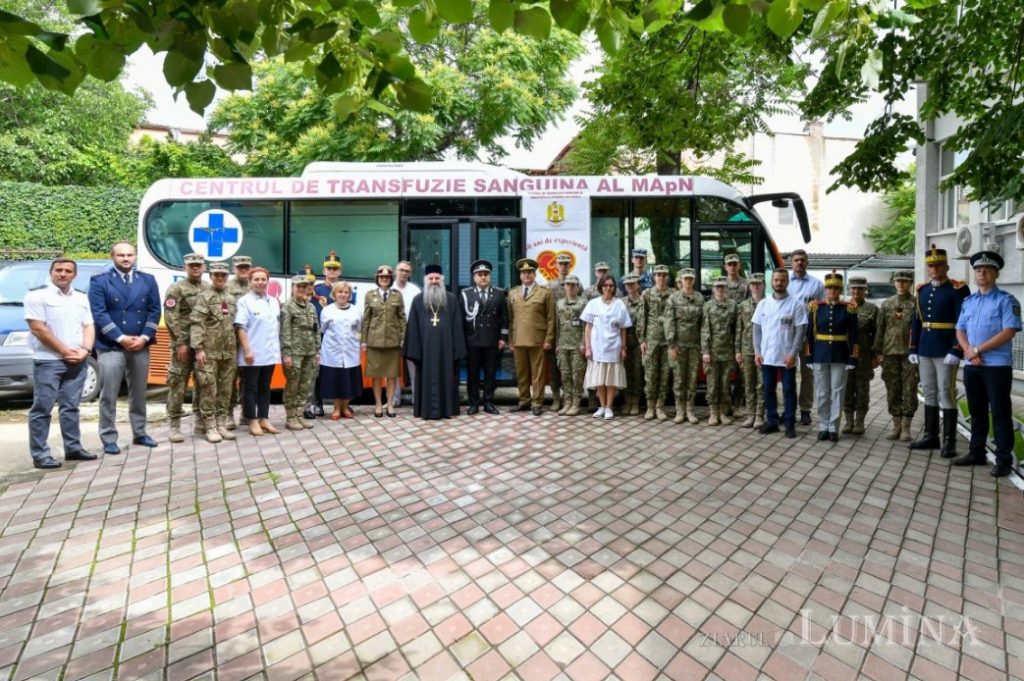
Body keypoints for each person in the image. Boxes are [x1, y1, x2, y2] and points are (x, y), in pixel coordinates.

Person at [953, 251, 1022, 477]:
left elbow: (1009, 331)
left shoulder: (1006, 300)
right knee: (977, 410)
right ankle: (976, 452)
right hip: (973, 365)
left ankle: (1003, 460)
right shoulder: (968, 301)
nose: (981, 273)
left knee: (1000, 412)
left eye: (987, 269)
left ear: (996, 273)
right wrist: (968, 351)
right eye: (978, 270)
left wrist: (978, 350)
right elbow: (960, 329)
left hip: (996, 366)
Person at [89, 241, 161, 454]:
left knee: (139, 393)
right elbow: (99, 314)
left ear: (135, 255)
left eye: (130, 254)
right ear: (112, 257)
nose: (126, 258)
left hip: (140, 344)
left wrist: (145, 337)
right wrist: (120, 337)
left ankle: (140, 433)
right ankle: (109, 437)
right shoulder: (100, 282)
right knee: (109, 394)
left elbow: (154, 310)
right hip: (111, 345)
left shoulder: (148, 280)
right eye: (121, 255)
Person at [25, 258, 96, 469]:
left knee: (71, 408)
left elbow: (88, 326)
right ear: (51, 272)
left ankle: (73, 448)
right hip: (48, 362)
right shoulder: (37, 296)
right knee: (42, 409)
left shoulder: (81, 298)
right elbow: (39, 329)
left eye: (67, 271)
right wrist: (65, 351)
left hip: (77, 361)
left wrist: (85, 351)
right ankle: (40, 455)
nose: (63, 274)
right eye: (59, 270)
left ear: (74, 275)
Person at [909, 245, 970, 458]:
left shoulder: (958, 289)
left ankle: (949, 441)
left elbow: (962, 322)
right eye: (930, 265)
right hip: (925, 347)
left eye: (938, 265)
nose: (933, 269)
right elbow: (916, 321)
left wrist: (957, 348)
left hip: (946, 349)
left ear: (946, 266)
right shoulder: (922, 290)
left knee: (946, 392)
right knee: (929, 391)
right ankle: (931, 436)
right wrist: (913, 347)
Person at [403, 265, 466, 420]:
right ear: (426, 281)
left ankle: (447, 409)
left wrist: (457, 350)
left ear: (442, 280)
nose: (434, 281)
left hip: (446, 350)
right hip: (425, 351)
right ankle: (425, 409)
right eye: (431, 279)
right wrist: (415, 351)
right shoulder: (418, 300)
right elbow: (413, 327)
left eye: (437, 278)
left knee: (447, 377)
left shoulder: (451, 299)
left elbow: (457, 325)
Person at [754, 269, 808, 438]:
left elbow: (801, 331)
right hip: (767, 356)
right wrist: (757, 351)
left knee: (788, 390)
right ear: (772, 282)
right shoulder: (763, 304)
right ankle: (771, 421)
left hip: (787, 357)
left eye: (782, 280)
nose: (779, 283)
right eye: (776, 280)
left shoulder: (795, 304)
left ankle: (790, 423)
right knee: (768, 389)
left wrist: (793, 353)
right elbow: (756, 329)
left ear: (787, 282)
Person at [805, 271, 858, 442]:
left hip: (840, 355)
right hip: (820, 354)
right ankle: (823, 425)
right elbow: (809, 334)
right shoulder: (815, 308)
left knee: (837, 391)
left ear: (840, 290)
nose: (832, 292)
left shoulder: (848, 309)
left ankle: (834, 427)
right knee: (822, 392)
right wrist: (809, 357)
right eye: (829, 288)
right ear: (825, 290)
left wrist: (852, 358)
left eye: (836, 288)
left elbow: (854, 335)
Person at [163, 253, 210, 443]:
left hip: (203, 345)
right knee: (178, 384)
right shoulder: (176, 288)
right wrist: (179, 343)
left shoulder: (208, 288)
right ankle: (174, 425)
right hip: (183, 345)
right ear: (185, 267)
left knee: (203, 382)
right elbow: (170, 317)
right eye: (192, 265)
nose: (195, 268)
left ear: (204, 267)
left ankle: (199, 420)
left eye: (199, 265)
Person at [190, 262, 238, 443]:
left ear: (227, 277)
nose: (220, 278)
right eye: (217, 275)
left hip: (228, 352)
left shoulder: (231, 298)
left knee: (226, 389)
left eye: (223, 275)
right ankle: (209, 426)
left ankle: (221, 423)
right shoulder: (204, 297)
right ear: (211, 276)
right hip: (208, 352)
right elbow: (196, 323)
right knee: (208, 388)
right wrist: (198, 349)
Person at [235, 267, 282, 436]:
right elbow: (241, 327)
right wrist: (247, 350)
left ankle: (264, 418)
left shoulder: (273, 301)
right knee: (250, 388)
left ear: (268, 281)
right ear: (250, 282)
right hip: (252, 354)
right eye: (256, 279)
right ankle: (252, 420)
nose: (260, 282)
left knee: (265, 387)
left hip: (269, 352)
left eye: (263, 279)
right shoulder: (245, 301)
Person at [873, 271, 918, 441]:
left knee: (910, 389)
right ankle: (896, 424)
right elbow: (880, 328)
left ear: (910, 283)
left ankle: (906, 427)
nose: (901, 284)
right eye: (898, 281)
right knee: (892, 390)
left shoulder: (916, 304)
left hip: (909, 354)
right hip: (890, 353)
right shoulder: (887, 304)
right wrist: (877, 351)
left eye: (905, 281)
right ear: (894, 283)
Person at [508, 258, 555, 415]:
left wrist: (548, 339)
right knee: (522, 373)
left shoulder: (544, 292)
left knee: (538, 374)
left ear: (534, 274)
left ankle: (537, 403)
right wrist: (510, 340)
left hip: (538, 340)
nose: (526, 275)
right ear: (520, 275)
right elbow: (510, 319)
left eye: (529, 272)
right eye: (523, 272)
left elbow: (551, 318)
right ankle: (524, 401)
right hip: (519, 339)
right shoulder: (513, 293)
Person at [460, 259, 507, 415]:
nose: (483, 277)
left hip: (492, 340)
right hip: (472, 341)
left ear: (490, 276)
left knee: (490, 373)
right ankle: (473, 403)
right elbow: (461, 319)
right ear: (474, 277)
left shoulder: (499, 293)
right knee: (472, 374)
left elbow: (504, 318)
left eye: (486, 274)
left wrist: (503, 338)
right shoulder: (466, 294)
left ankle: (488, 402)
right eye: (479, 274)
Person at [581, 273, 632, 419]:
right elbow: (588, 327)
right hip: (597, 348)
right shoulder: (593, 303)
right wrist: (588, 347)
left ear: (614, 288)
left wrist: (623, 348)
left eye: (611, 285)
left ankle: (609, 407)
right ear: (600, 287)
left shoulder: (619, 304)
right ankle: (601, 406)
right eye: (605, 285)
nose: (608, 288)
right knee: (599, 380)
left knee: (610, 380)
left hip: (613, 347)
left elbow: (623, 328)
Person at [786, 249, 825, 426]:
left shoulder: (817, 285)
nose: (799, 263)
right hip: (788, 335)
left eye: (802, 260)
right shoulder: (785, 283)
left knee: (808, 374)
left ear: (807, 262)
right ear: (791, 263)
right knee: (789, 371)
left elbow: (823, 310)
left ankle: (805, 410)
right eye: (796, 260)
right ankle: (789, 408)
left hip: (809, 335)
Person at [362, 265, 406, 417]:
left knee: (392, 375)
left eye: (387, 277)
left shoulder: (397, 296)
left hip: (393, 341)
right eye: (381, 277)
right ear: (377, 279)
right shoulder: (370, 295)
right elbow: (366, 319)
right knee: (376, 375)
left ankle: (391, 405)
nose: (384, 279)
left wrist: (403, 338)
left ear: (390, 279)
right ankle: (378, 405)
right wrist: (363, 340)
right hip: (374, 341)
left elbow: (402, 318)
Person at [319, 281, 364, 420]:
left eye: (346, 292)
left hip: (350, 350)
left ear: (349, 295)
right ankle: (336, 408)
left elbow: (359, 329)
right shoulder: (327, 310)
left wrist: (361, 342)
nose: (343, 295)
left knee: (348, 380)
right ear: (334, 294)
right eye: (340, 292)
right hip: (332, 351)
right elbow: (322, 329)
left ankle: (346, 407)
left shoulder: (356, 310)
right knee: (336, 380)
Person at [280, 276, 320, 431]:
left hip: (309, 352)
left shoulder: (310, 307)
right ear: (293, 287)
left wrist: (317, 350)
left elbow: (316, 330)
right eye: (299, 286)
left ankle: (299, 415)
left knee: (305, 385)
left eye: (305, 287)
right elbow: (285, 332)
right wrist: (286, 354)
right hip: (294, 353)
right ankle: (290, 417)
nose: (302, 289)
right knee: (292, 385)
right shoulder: (287, 307)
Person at [667, 268, 705, 424]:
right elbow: (669, 323)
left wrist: (704, 346)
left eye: (691, 279)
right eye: (685, 279)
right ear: (681, 280)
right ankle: (679, 410)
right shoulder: (674, 299)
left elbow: (704, 324)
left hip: (694, 346)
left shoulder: (699, 298)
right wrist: (672, 344)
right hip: (679, 346)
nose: (688, 281)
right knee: (679, 379)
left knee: (692, 379)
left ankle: (689, 409)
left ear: (694, 280)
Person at [842, 276, 878, 435]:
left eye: (860, 288)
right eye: (854, 288)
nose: (857, 291)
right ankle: (849, 420)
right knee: (846, 389)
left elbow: (878, 333)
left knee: (862, 390)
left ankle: (860, 421)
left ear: (865, 290)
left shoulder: (872, 309)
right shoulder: (843, 307)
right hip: (844, 355)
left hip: (864, 356)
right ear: (849, 289)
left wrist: (877, 354)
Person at [308, 250, 343, 418]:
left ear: (340, 271)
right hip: (319, 335)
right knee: (316, 370)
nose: (332, 272)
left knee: (334, 370)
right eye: (329, 269)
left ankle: (338, 402)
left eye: (335, 269)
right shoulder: (316, 290)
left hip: (336, 337)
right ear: (323, 271)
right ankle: (317, 403)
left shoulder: (344, 290)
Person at [701, 277, 739, 426]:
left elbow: (737, 330)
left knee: (725, 384)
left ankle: (723, 412)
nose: (720, 290)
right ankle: (713, 413)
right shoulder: (708, 306)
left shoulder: (733, 306)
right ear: (713, 289)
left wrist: (737, 350)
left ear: (726, 289)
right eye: (717, 287)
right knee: (712, 384)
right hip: (712, 351)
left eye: (723, 287)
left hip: (728, 352)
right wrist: (705, 351)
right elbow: (704, 329)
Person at [640, 264, 674, 420]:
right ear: (654, 277)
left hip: (667, 341)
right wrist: (642, 339)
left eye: (664, 275)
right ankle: (650, 406)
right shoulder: (647, 294)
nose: (661, 278)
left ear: (667, 277)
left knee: (665, 375)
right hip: (651, 340)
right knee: (650, 374)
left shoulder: (674, 294)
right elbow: (642, 317)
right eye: (658, 275)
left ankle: (660, 406)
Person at [224, 255, 252, 428]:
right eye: (240, 267)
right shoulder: (227, 287)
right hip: (230, 340)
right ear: (234, 268)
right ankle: (228, 414)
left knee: (248, 378)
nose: (243, 270)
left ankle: (246, 413)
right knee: (230, 378)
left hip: (250, 339)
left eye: (246, 267)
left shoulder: (255, 286)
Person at [735, 274, 766, 429]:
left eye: (758, 284)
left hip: (764, 350)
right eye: (752, 284)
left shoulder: (769, 304)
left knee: (761, 384)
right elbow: (738, 329)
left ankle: (760, 415)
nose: (755, 286)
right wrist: (737, 350)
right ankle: (750, 415)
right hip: (747, 349)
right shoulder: (743, 306)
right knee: (749, 383)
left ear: (763, 285)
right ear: (749, 286)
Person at [554, 276, 587, 416]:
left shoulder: (583, 303)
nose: (571, 287)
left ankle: (576, 403)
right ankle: (567, 402)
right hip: (563, 345)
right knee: (565, 375)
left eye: (573, 285)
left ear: (578, 287)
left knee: (577, 375)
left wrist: (584, 343)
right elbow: (557, 325)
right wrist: (557, 343)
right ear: (564, 286)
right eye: (568, 285)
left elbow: (587, 326)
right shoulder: (559, 303)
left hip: (577, 346)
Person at [393, 260, 421, 409]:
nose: (403, 273)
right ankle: (394, 398)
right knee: (393, 366)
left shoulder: (415, 290)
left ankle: (417, 398)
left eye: (406, 271)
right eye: (401, 270)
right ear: (396, 271)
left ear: (409, 274)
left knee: (413, 366)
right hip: (393, 331)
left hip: (411, 331)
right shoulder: (389, 289)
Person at [621, 274, 646, 415]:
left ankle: (635, 401)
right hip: (624, 342)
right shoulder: (621, 302)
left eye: (633, 284)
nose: (630, 286)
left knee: (637, 373)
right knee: (625, 372)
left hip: (638, 342)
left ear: (638, 285)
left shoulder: (644, 301)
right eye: (627, 284)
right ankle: (627, 400)